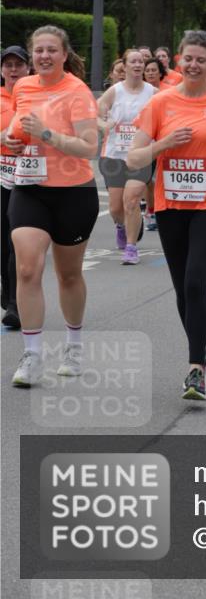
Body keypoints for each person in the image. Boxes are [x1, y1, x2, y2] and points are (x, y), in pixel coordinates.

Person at [127, 30, 206, 401]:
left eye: (201, 59)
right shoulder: (160, 103)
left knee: (196, 281)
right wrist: (163, 145)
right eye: (188, 58)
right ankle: (203, 350)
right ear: (178, 60)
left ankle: (195, 368)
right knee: (181, 287)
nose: (194, 65)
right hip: (170, 204)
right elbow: (133, 157)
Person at [7, 26, 99, 387]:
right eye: (39, 51)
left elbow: (89, 147)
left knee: (68, 275)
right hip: (29, 188)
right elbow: (18, 131)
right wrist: (14, 143)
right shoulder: (23, 87)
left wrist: (47, 134)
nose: (44, 56)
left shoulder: (76, 91)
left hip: (73, 192)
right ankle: (31, 355)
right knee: (27, 268)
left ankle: (73, 344)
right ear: (33, 56)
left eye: (51, 51)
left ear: (64, 54)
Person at [97, 48, 157, 264]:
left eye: (141, 61)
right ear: (125, 65)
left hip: (140, 155)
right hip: (113, 155)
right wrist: (104, 124)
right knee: (115, 207)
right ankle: (122, 226)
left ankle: (131, 247)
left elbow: (166, 115)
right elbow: (95, 112)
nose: (138, 65)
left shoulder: (153, 92)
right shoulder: (115, 91)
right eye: (134, 61)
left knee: (131, 200)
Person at [0, 46, 31, 328]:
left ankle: (15, 305)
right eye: (8, 65)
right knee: (2, 242)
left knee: (16, 241)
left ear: (28, 69)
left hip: (29, 179)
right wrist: (6, 137)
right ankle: (8, 291)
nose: (13, 70)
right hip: (1, 178)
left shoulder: (35, 97)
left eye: (18, 65)